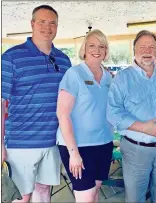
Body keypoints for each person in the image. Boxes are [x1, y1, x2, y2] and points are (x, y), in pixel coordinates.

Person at [1, 5, 72, 203]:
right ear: (32, 24)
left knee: (43, 192)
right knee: (21, 197)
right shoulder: (11, 57)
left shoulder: (64, 60)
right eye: (42, 21)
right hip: (20, 143)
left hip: (52, 142)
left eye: (52, 23)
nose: (47, 27)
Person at [107, 30, 156, 202]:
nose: (147, 51)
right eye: (142, 47)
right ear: (134, 51)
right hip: (135, 151)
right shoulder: (122, 79)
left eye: (152, 47)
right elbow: (112, 112)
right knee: (135, 199)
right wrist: (143, 127)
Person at [56, 29, 113, 203]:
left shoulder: (109, 77)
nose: (97, 50)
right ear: (84, 49)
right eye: (92, 45)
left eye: (101, 46)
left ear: (106, 51)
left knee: (94, 191)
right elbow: (62, 114)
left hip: (103, 143)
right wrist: (74, 153)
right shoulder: (74, 74)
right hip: (78, 146)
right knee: (86, 197)